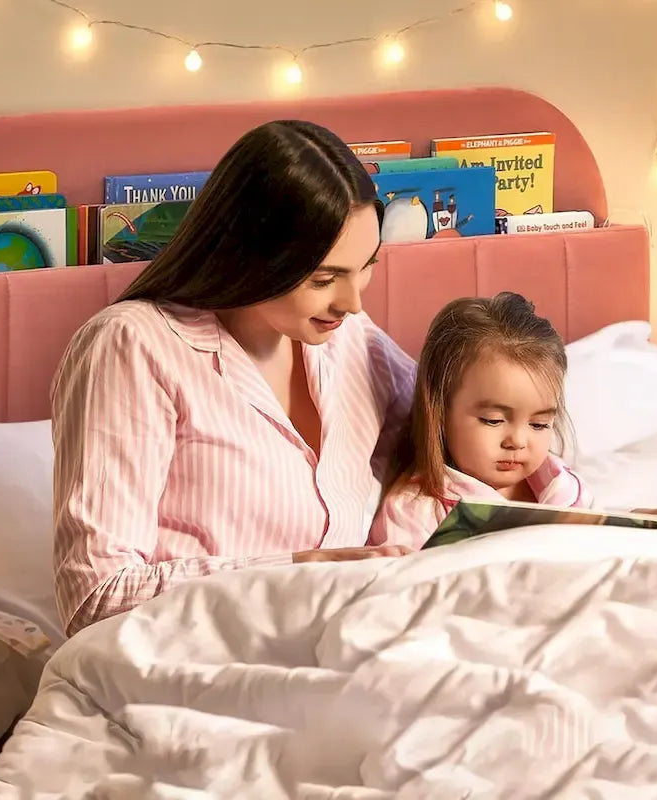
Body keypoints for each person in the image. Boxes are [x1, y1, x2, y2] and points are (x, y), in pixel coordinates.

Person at [51, 120, 416, 636]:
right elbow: (95, 599)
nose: (354, 302)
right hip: (189, 670)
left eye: (367, 266)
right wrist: (296, 574)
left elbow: (460, 441)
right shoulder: (134, 347)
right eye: (324, 279)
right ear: (253, 256)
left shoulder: (350, 339)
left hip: (341, 650)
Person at [370, 291, 592, 550]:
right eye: (493, 420)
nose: (518, 441)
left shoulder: (565, 488)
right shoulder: (412, 511)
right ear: (440, 412)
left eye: (539, 425)